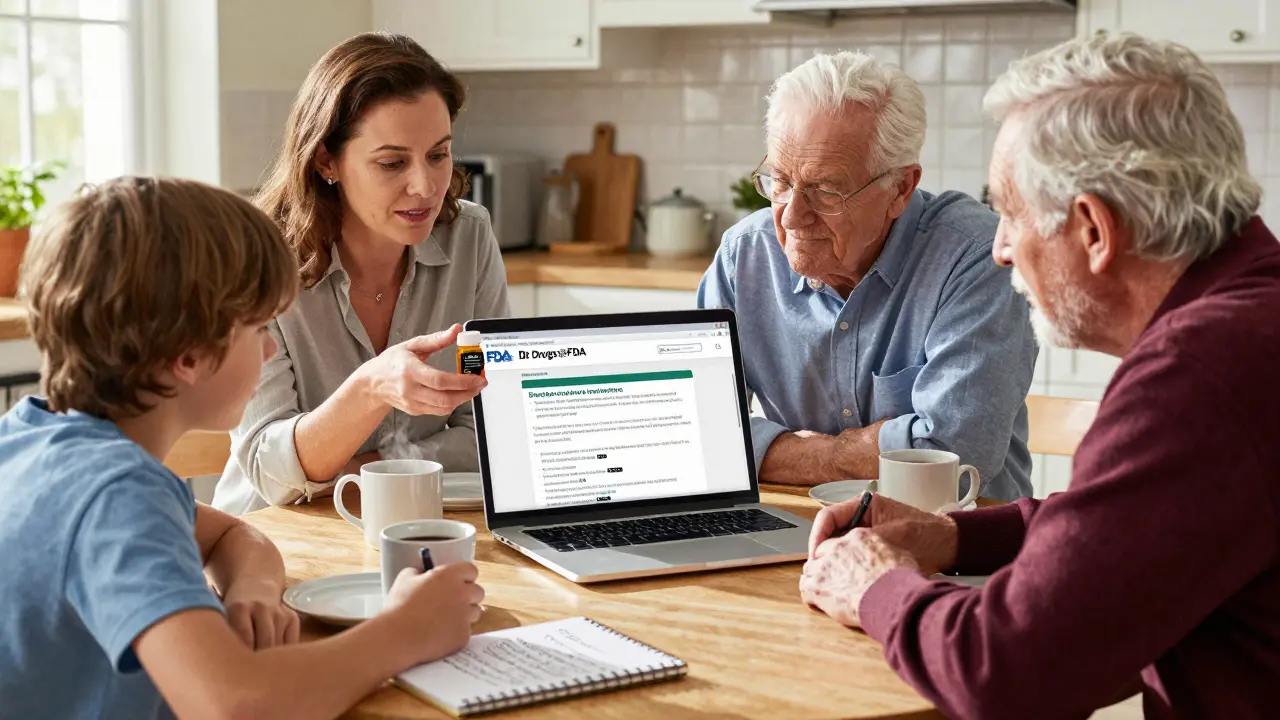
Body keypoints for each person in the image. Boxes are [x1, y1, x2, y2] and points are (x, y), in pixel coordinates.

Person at [800, 33, 1280, 720]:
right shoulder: (1251, 319)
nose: (999, 249)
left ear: (1092, 229)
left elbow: (1003, 670)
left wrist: (877, 585)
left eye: (1011, 212)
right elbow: (1137, 524)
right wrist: (957, 535)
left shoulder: (1198, 376)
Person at [0, 177, 484, 718]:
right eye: (256, 329)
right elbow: (233, 704)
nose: (272, 345)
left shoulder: (33, 440)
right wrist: (403, 633)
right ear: (189, 357)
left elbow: (234, 532)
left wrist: (249, 591)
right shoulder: (118, 496)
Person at [697, 51, 1036, 501]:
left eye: (826, 190)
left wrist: (777, 451)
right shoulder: (745, 256)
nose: (793, 217)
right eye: (779, 181)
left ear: (899, 188)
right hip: (793, 527)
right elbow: (699, 431)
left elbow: (954, 454)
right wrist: (860, 452)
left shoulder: (977, 257)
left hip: (957, 540)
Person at [213, 32, 509, 515]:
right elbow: (272, 474)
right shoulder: (255, 257)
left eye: (438, 154)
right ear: (327, 160)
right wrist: (372, 387)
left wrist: (360, 467)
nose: (425, 186)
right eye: (392, 162)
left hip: (423, 521)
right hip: (277, 541)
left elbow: (491, 428)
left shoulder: (469, 236)